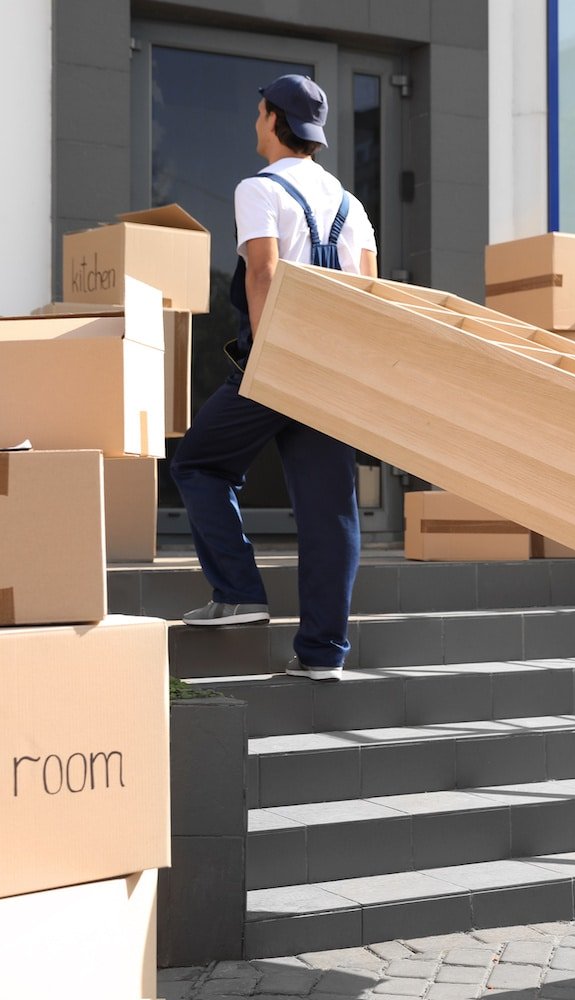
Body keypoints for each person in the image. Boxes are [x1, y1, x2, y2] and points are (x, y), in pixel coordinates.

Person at [170, 74, 377, 683]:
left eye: (259, 112)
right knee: (330, 510)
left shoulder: (258, 189)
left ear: (271, 119)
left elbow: (262, 272)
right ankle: (322, 654)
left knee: (199, 463)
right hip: (333, 371)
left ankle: (239, 591)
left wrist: (269, 360)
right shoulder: (352, 205)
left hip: (279, 361)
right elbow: (371, 293)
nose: (254, 121)